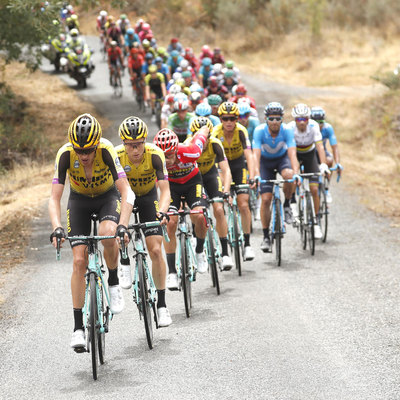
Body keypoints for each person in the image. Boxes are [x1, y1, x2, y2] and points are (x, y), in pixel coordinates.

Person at [49, 114, 134, 349]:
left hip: (107, 197)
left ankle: (114, 280)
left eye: (88, 150)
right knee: (78, 261)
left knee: (108, 232)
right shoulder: (65, 154)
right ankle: (78, 328)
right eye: (79, 150)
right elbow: (55, 197)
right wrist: (57, 227)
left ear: (96, 144)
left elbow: (126, 192)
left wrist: (123, 224)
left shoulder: (106, 150)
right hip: (79, 201)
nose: (84, 156)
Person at [115, 117, 172, 326]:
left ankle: (162, 305)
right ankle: (124, 260)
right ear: (123, 144)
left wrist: (163, 212)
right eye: (130, 145)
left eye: (138, 144)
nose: (135, 150)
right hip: (124, 198)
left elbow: (165, 190)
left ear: (144, 141)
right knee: (118, 230)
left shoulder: (155, 154)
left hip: (148, 199)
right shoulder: (116, 156)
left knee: (156, 250)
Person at [153, 127, 209, 289]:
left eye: (169, 154)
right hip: (172, 188)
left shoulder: (190, 151)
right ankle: (172, 272)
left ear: (176, 149)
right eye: (162, 155)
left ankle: (199, 251)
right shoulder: (156, 159)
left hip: (193, 183)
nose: (166, 159)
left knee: (199, 215)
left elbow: (201, 138)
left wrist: (204, 129)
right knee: (170, 222)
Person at [253, 102, 300, 252]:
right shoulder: (259, 131)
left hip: (281, 159)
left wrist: (296, 173)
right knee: (266, 199)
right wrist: (256, 175)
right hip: (264, 163)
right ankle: (266, 236)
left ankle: (287, 205)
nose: (274, 122)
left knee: (289, 175)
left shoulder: (287, 130)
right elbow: (255, 155)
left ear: (282, 119)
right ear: (266, 119)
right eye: (271, 119)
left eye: (277, 119)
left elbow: (292, 154)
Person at [188, 117, 234, 270]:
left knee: (219, 209)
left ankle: (226, 253)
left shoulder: (215, 143)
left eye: (206, 136)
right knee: (196, 211)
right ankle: (196, 234)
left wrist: (226, 191)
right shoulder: (188, 144)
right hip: (194, 179)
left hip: (210, 176)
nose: (203, 140)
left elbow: (226, 170)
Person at [212, 102, 256, 260]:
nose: (229, 122)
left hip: (238, 166)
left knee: (244, 204)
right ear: (220, 119)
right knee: (220, 207)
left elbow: (249, 155)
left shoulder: (241, 131)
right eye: (225, 119)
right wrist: (225, 188)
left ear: (237, 119)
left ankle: (248, 244)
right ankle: (224, 252)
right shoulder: (215, 133)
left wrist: (252, 176)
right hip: (221, 168)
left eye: (232, 118)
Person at [286, 103, 330, 239]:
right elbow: (291, 153)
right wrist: (295, 170)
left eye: (304, 118)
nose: (302, 122)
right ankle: (292, 201)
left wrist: (323, 164)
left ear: (308, 118)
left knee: (315, 190)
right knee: (294, 176)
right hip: (296, 154)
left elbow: (320, 147)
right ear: (294, 120)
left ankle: (315, 221)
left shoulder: (313, 126)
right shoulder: (290, 128)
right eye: (299, 119)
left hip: (310, 154)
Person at [310, 106, 343, 203]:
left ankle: (326, 188)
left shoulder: (328, 128)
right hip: (310, 154)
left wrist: (337, 163)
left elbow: (334, 147)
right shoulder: (308, 128)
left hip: (322, 152)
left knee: (329, 160)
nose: (318, 125)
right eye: (315, 122)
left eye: (321, 122)